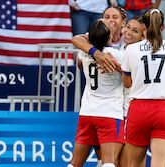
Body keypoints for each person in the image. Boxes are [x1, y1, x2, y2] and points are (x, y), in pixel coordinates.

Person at [121, 8, 165, 167]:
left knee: (134, 164)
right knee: (161, 164)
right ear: (162, 27)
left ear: (143, 27)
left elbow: (127, 83)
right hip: (164, 109)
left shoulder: (131, 49)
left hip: (139, 109)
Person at [68, 19, 125, 167]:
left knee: (75, 163)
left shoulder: (83, 53)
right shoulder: (116, 55)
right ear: (109, 38)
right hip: (109, 113)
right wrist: (118, 67)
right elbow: (132, 77)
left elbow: (79, 41)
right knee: (109, 163)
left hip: (87, 113)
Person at [71, 6, 128, 73]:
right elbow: (76, 39)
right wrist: (96, 53)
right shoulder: (95, 35)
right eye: (107, 17)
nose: (110, 20)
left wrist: (112, 64)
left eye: (115, 17)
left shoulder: (128, 39)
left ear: (123, 22)